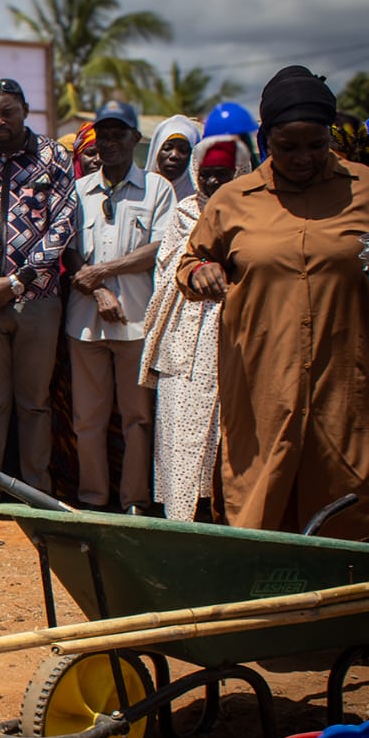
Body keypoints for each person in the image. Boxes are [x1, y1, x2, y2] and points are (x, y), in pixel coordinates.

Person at [177, 66, 369, 544]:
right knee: (262, 507)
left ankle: (356, 613)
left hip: (349, 387)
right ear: (265, 140)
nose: (303, 158)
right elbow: (191, 263)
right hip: (264, 387)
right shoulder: (232, 200)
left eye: (315, 145)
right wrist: (200, 273)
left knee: (355, 509)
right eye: (288, 147)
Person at [0, 78, 78, 525]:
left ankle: (36, 494)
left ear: (26, 110)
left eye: (8, 112)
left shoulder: (53, 157)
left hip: (37, 298)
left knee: (34, 401)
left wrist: (19, 281)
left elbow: (64, 223)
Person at [64, 101, 175, 513]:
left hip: (136, 320)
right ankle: (93, 499)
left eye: (118, 134)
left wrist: (103, 272)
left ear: (135, 138)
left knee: (138, 418)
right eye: (103, 135)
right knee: (87, 419)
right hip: (86, 321)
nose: (109, 143)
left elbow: (159, 248)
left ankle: (136, 501)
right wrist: (97, 291)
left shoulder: (157, 188)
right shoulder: (78, 190)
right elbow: (69, 250)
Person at [138, 135, 249, 521]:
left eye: (223, 175)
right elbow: (167, 272)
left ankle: (226, 515)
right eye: (206, 175)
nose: (214, 184)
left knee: (228, 437)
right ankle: (184, 517)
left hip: (234, 338)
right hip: (183, 341)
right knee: (179, 432)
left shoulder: (254, 214)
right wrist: (198, 273)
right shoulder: (184, 212)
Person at [147, 114, 201, 202]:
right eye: (167, 148)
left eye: (183, 150)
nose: (174, 155)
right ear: (156, 151)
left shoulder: (198, 204)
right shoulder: (137, 195)